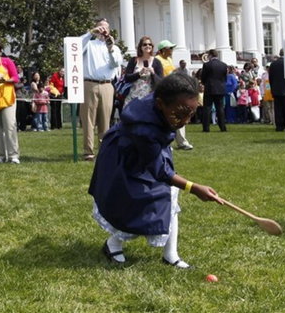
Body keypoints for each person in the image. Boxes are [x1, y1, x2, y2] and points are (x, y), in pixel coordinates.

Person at [88, 73, 223, 268]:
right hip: (124, 160)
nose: (185, 120)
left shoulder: (166, 100)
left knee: (169, 193)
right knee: (138, 205)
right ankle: (113, 243)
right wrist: (194, 188)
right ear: (160, 104)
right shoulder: (144, 128)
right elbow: (161, 172)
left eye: (191, 114)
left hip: (144, 152)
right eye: (181, 113)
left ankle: (171, 254)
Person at [80, 18, 124, 161]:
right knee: (88, 119)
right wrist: (90, 33)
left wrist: (110, 48)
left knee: (105, 120)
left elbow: (116, 63)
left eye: (106, 28)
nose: (103, 31)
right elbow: (75, 47)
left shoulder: (115, 48)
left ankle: (104, 150)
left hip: (107, 85)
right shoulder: (89, 44)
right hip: (89, 84)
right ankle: (88, 151)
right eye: (100, 27)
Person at [155, 39, 193, 150]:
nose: (172, 50)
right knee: (165, 118)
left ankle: (182, 142)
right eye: (170, 48)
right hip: (164, 91)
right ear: (163, 50)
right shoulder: (157, 60)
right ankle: (166, 142)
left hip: (173, 90)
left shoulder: (170, 60)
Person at [200, 49, 228, 132]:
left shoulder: (207, 65)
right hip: (220, 88)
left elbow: (203, 77)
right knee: (220, 108)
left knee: (207, 108)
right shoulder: (223, 65)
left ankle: (206, 128)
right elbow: (224, 77)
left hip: (209, 88)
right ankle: (222, 127)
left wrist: (205, 83)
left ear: (210, 55)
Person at [268, 50, 285, 131]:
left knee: (278, 109)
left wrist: (272, 88)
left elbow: (270, 78)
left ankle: (279, 126)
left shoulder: (273, 64)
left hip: (276, 89)